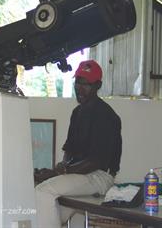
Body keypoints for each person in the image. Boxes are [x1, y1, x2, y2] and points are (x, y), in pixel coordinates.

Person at [34, 59, 122, 228]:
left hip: (100, 177)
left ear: (98, 85)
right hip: (80, 175)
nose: (79, 88)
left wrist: (62, 172)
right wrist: (58, 169)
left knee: (43, 192)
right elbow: (69, 150)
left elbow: (97, 162)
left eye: (86, 84)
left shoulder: (106, 116)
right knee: (45, 212)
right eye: (77, 82)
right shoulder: (77, 113)